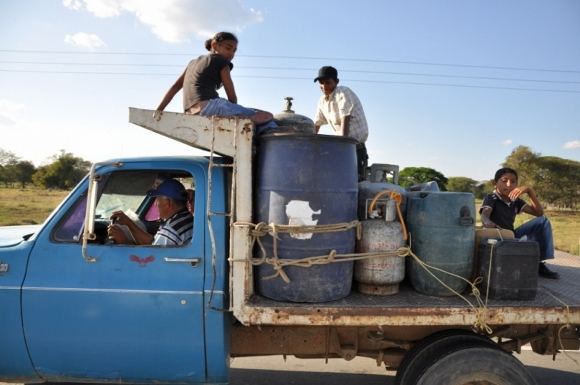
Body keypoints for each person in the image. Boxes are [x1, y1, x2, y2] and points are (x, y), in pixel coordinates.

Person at [153, 31, 275, 131]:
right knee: (267, 118)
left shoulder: (192, 63)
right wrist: (237, 111)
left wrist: (159, 110)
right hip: (212, 106)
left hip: (191, 113)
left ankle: (245, 120)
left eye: (234, 50)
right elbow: (232, 96)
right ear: (215, 45)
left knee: (252, 114)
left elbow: (175, 87)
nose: (231, 53)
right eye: (228, 48)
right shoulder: (222, 61)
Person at [480, 167, 559, 279]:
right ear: (495, 183)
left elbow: (538, 213)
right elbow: (485, 215)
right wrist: (487, 222)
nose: (509, 184)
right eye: (504, 180)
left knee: (542, 221)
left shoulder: (515, 200)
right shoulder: (491, 198)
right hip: (498, 239)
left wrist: (529, 191)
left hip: (513, 236)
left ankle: (538, 262)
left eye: (513, 181)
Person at [313, 66, 369, 181]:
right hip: (340, 147)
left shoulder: (343, 92)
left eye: (328, 82)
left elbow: (345, 117)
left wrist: (343, 147)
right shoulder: (322, 101)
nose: (324, 86)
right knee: (336, 180)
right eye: (321, 83)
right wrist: (310, 145)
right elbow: (317, 124)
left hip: (353, 148)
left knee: (352, 182)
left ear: (336, 82)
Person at [108, 179, 193, 246]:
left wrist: (123, 241)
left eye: (158, 199)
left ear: (168, 203)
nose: (156, 204)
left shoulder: (171, 229)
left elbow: (154, 258)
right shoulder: (186, 217)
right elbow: (153, 242)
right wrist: (128, 223)